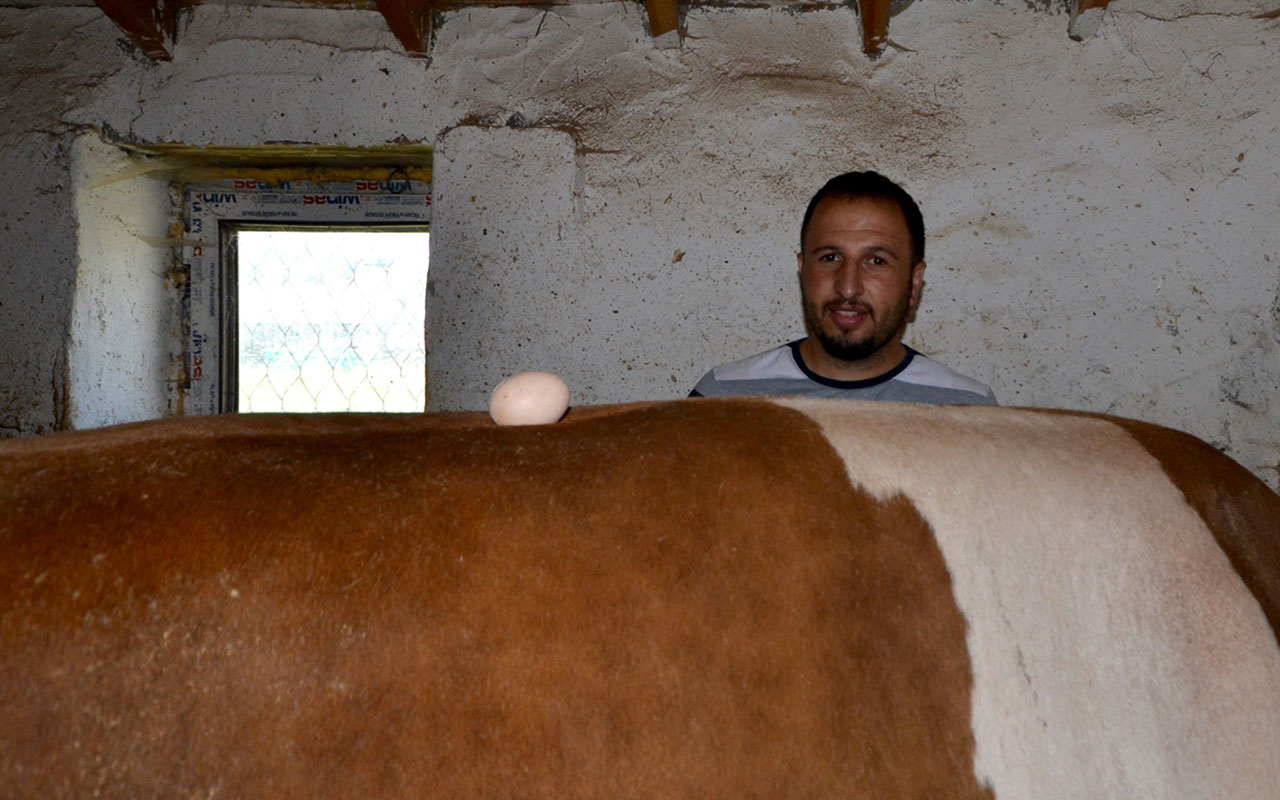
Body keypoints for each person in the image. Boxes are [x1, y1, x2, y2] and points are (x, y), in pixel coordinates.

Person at [689, 170, 996, 405]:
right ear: (803, 269)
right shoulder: (721, 398)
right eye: (830, 257)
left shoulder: (970, 411)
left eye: (876, 261)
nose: (848, 288)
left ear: (914, 283)